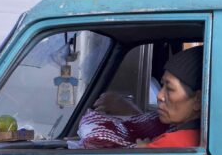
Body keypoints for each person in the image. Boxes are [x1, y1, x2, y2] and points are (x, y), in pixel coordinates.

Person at [76, 46, 204, 149]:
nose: (160, 95)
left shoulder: (170, 145)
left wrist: (143, 151)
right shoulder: (197, 137)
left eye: (169, 89)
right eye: (162, 85)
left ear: (198, 100)